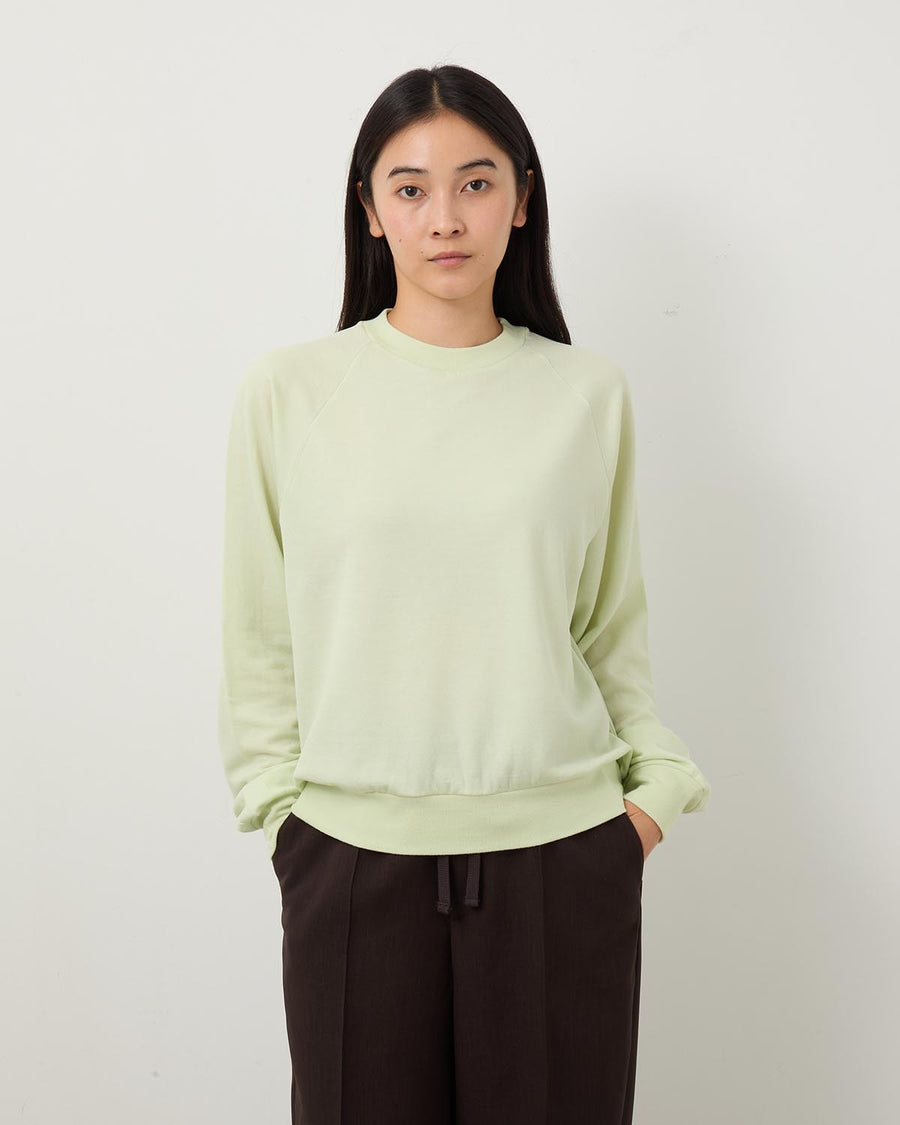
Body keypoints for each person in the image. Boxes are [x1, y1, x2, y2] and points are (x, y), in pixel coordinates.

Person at [217, 63, 711, 1125]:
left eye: (476, 183)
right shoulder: (289, 393)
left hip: (562, 861)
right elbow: (260, 638)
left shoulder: (585, 394)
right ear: (369, 210)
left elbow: (609, 629)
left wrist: (651, 799)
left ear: (521, 200)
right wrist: (287, 822)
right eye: (409, 188)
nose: (444, 217)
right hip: (351, 863)